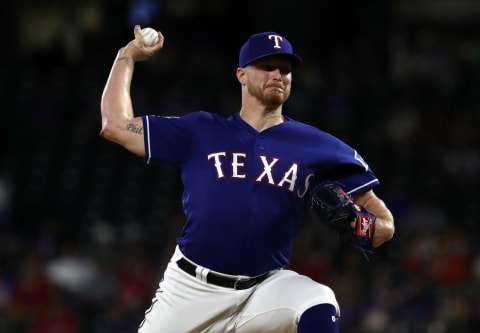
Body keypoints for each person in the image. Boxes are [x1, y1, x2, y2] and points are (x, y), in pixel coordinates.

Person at [100, 25, 395, 333]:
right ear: (241, 74)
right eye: (266, 66)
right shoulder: (201, 130)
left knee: (318, 300)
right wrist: (127, 56)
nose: (277, 75)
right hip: (191, 290)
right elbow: (115, 125)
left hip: (264, 289)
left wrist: (358, 224)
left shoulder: (321, 147)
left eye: (285, 69)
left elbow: (384, 226)